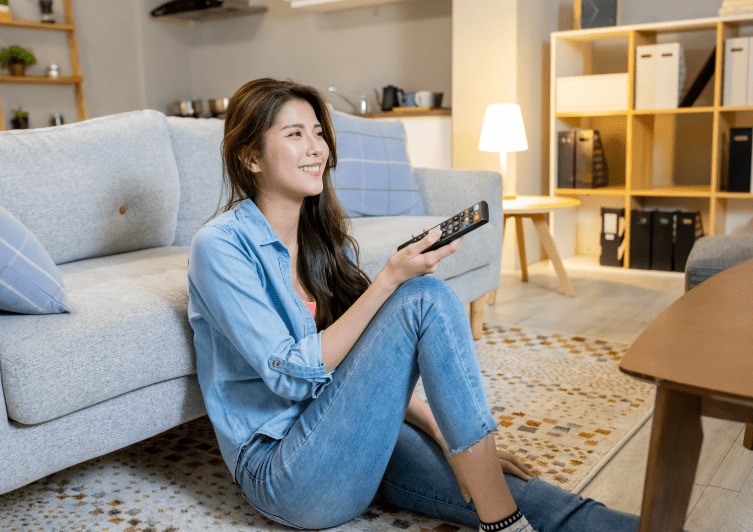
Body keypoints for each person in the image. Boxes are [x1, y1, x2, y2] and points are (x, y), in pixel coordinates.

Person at [187, 77, 642, 532]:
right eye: (295, 134)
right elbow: (292, 375)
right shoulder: (220, 247)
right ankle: (503, 523)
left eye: (319, 133)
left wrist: (447, 437)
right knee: (422, 297)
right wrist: (389, 279)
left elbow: (363, 366)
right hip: (287, 475)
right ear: (251, 158)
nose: (316, 148)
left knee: (496, 482)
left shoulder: (323, 243)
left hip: (344, 430)